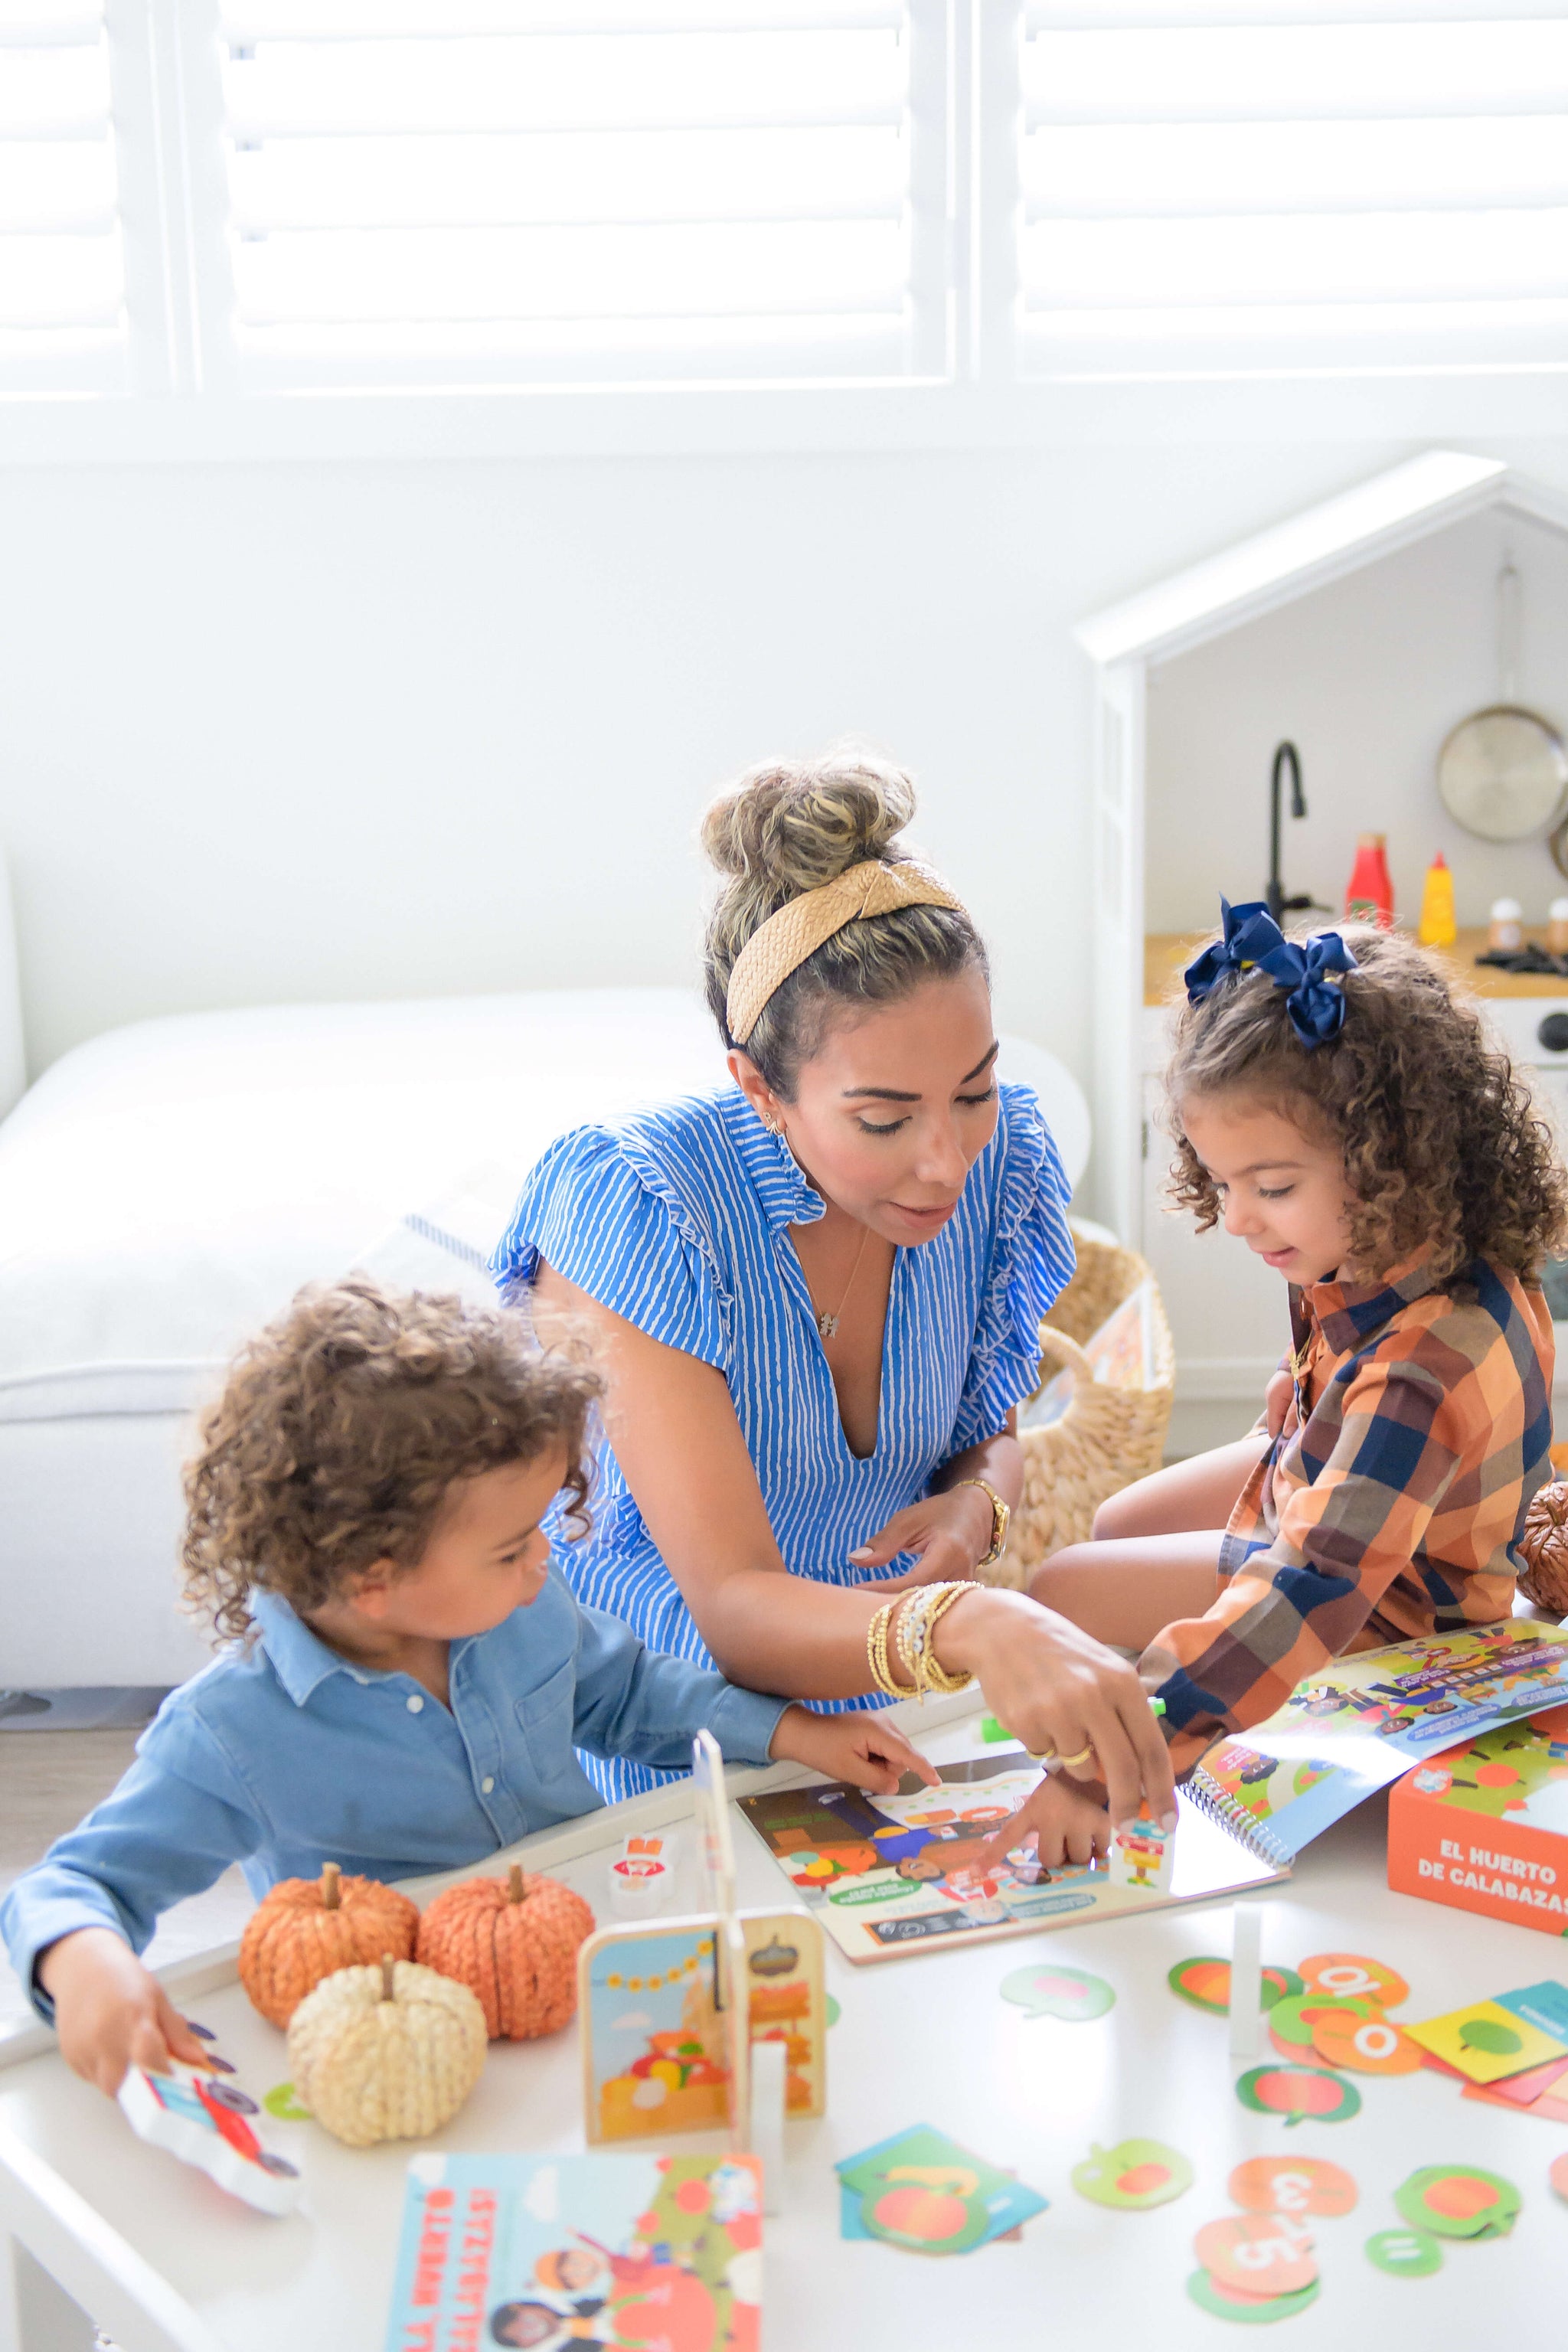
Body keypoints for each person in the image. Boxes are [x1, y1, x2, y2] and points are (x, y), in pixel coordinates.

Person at [0, 1279, 933, 2097]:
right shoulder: (230, 1728)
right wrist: (84, 1963)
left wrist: (789, 1735)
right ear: (372, 1574)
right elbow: (72, 1884)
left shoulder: (520, 1611)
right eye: (509, 1548)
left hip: (582, 1974)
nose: (544, 1560)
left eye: (538, 1530)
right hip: (399, 2038)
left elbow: (627, 1697)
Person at [494, 748, 1175, 1840]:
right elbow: (729, 1612)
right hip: (658, 1753)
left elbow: (984, 1433)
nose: (945, 1159)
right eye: (884, 1119)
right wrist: (972, 1622)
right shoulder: (636, 1203)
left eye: (975, 1089)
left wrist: (977, 1506)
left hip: (885, 1723)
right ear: (760, 1089)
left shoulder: (999, 1170)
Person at [1026, 900, 1568, 1781]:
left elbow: (1311, 1586)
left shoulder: (1423, 1367)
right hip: (1358, 1495)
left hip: (1399, 1603)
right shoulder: (1383, 1242)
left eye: (1268, 1186)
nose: (1236, 1217)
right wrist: (1288, 1410)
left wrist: (1116, 1765)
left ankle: (1147, 1742)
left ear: (1388, 1153)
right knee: (1115, 1521)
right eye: (1220, 1180)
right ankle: (1159, 1696)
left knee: (1059, 1590)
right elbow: (1324, 1386)